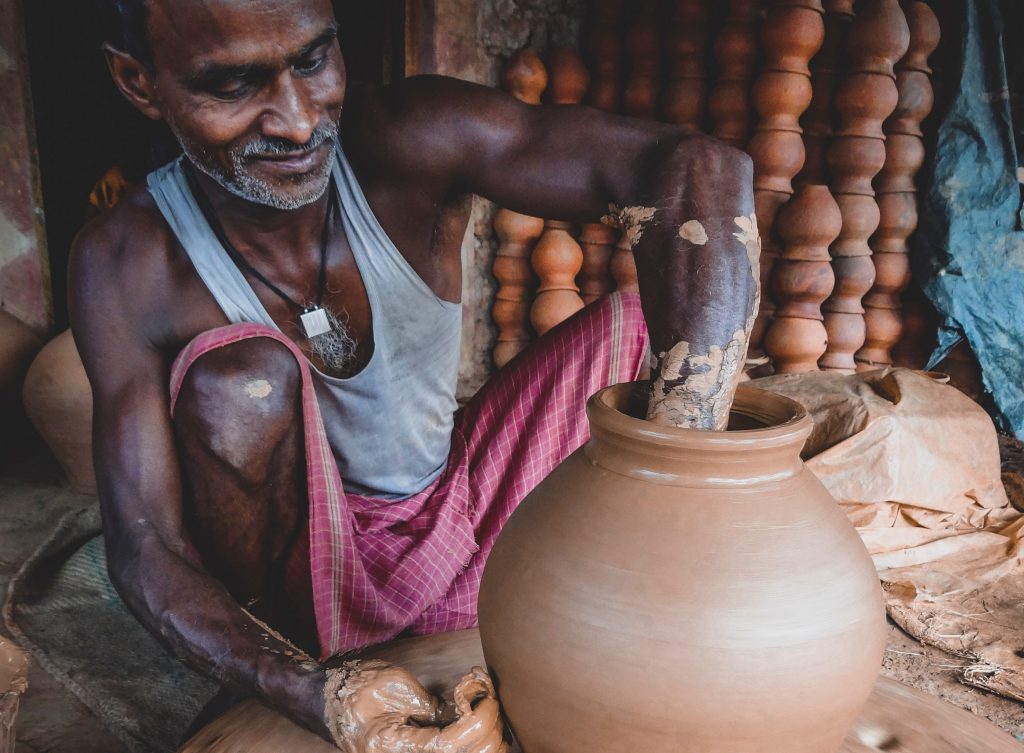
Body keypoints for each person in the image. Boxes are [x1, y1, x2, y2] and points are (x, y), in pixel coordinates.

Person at [70, 0, 757, 745]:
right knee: (240, 384)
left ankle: (533, 601)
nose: (298, 122)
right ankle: (333, 664)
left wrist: (690, 458)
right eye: (233, 87)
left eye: (311, 61)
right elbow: (144, 545)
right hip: (309, 585)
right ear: (139, 83)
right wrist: (309, 691)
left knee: (635, 321)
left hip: (456, 504)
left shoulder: (412, 136)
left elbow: (698, 167)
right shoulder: (125, 262)